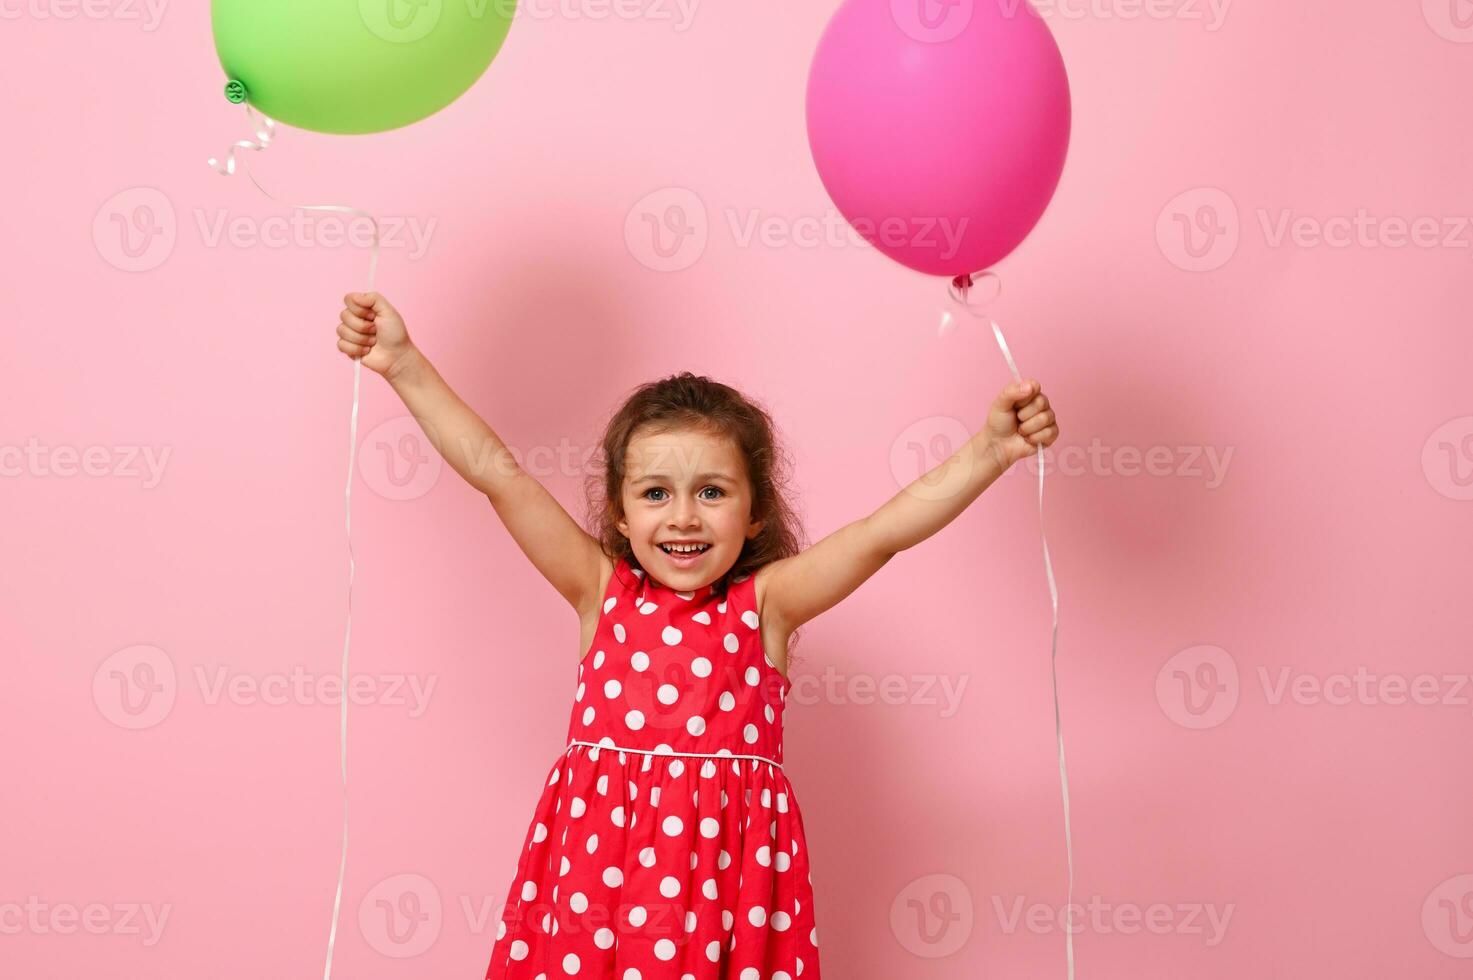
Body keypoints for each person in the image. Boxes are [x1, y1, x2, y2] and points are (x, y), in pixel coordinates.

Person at [333, 291, 1060, 979]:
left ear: (753, 513)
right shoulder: (600, 593)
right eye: (655, 494)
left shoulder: (766, 605)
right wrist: (403, 363)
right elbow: (500, 475)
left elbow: (879, 536)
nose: (682, 518)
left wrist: (990, 451)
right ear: (618, 513)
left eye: (711, 492)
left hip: (724, 898)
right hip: (598, 894)